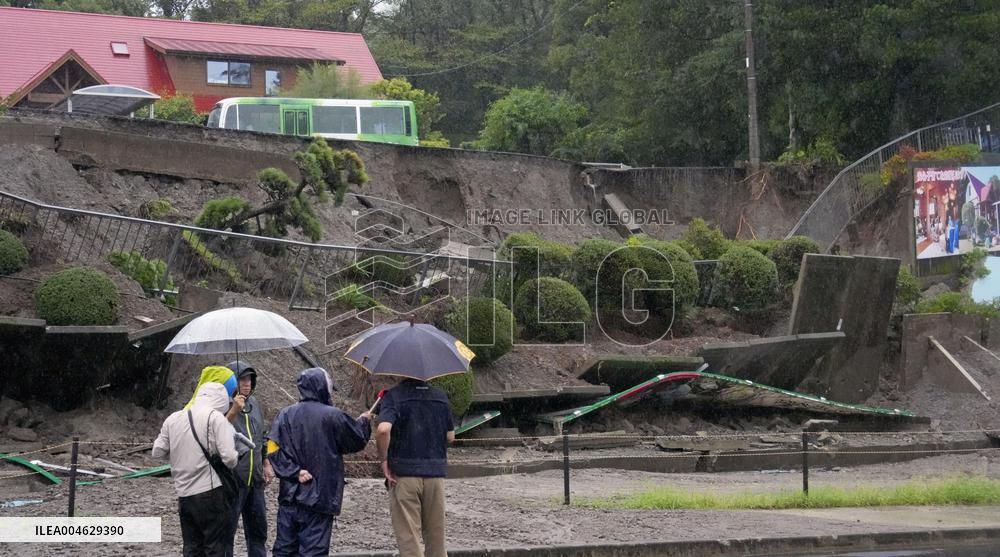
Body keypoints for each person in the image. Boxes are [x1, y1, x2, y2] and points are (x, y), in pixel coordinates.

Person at [266, 367, 371, 557]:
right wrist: (363, 422)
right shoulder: (333, 415)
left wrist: (293, 471)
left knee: (284, 549)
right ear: (322, 387)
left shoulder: (285, 415)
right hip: (320, 496)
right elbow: (356, 440)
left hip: (290, 495)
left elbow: (272, 449)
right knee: (313, 551)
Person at [153, 380, 239, 557]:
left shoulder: (173, 418)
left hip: (184, 495)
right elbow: (230, 459)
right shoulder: (215, 418)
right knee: (214, 547)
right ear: (222, 400)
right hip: (211, 492)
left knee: (191, 547)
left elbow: (157, 452)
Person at [376, 376, 456, 557]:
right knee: (436, 539)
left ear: (400, 373)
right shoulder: (440, 397)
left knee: (409, 540)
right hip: (435, 475)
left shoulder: (393, 396)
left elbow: (383, 429)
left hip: (403, 475)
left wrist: (384, 460)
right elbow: (450, 436)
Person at [224, 361, 274, 557]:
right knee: (226, 532)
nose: (247, 383)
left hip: (256, 480)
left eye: (250, 379)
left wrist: (266, 463)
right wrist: (234, 409)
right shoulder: (222, 403)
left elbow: (261, 436)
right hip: (232, 480)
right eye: (242, 379)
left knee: (258, 531)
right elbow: (216, 431)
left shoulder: (254, 404)